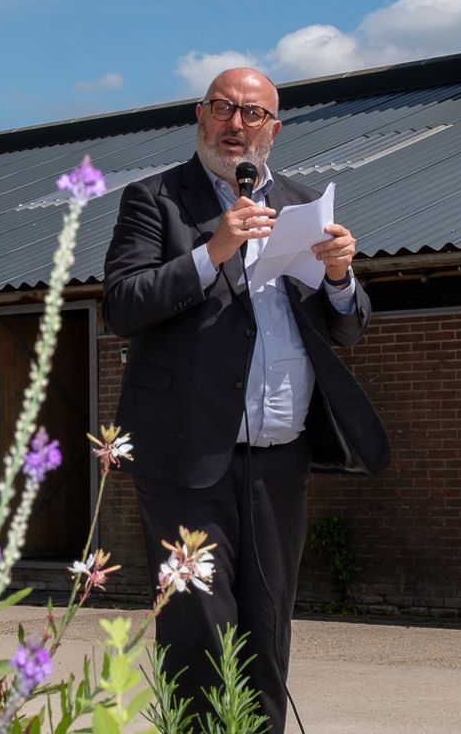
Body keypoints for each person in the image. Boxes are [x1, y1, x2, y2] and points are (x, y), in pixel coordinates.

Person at [102, 67, 389, 731]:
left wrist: (343, 277)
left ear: (274, 129)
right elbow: (122, 304)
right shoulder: (156, 200)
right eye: (224, 109)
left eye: (253, 114)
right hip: (184, 461)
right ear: (201, 116)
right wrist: (214, 249)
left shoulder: (302, 202)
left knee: (267, 629)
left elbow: (348, 325)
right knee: (198, 629)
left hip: (278, 462)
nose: (237, 124)